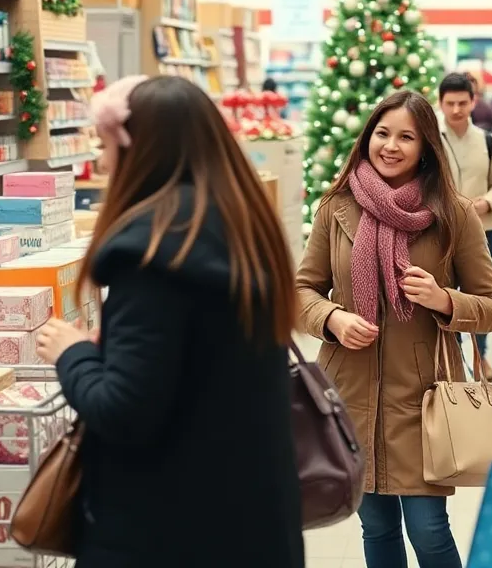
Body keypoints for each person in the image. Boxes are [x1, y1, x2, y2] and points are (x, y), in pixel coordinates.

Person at [35, 75, 304, 568]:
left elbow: (124, 411)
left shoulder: (152, 253)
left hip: (167, 532)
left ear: (138, 149)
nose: (102, 161)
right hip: (251, 522)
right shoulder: (244, 227)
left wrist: (72, 352)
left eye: (105, 145)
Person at [296, 89, 492, 568]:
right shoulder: (338, 207)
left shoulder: (453, 213)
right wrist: (331, 317)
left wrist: (443, 299)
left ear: (426, 146)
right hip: (350, 392)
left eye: (406, 137)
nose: (390, 146)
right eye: (382, 133)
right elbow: (302, 290)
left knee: (429, 531)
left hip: (424, 397)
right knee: (376, 526)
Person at [437, 71, 492, 381]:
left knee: (480, 295)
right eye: (450, 103)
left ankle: (482, 355)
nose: (456, 110)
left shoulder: (488, 142)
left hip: (482, 229)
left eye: (462, 103)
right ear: (440, 103)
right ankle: (452, 355)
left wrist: (488, 202)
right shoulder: (430, 142)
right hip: (440, 230)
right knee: (445, 296)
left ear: (473, 102)